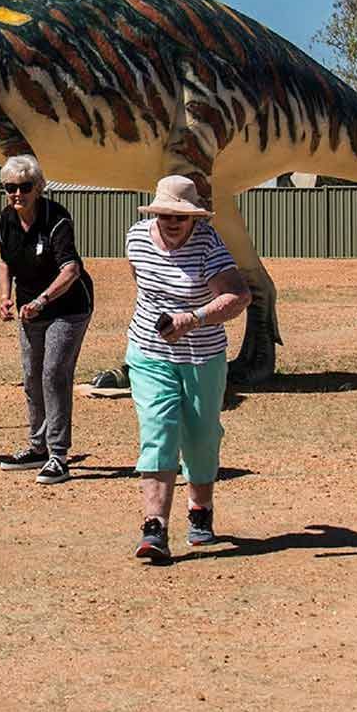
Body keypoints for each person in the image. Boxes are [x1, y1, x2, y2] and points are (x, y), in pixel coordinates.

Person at [124, 175, 251, 563]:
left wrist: (192, 319)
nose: (172, 222)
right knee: (158, 430)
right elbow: (141, 283)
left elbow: (238, 295)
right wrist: (162, 324)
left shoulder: (208, 245)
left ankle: (200, 509)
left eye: (180, 216)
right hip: (149, 352)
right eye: (165, 214)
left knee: (201, 436)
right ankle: (154, 528)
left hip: (202, 355)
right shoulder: (136, 238)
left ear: (195, 218)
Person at [0, 155, 93, 485]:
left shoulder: (56, 218)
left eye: (24, 187)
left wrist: (42, 300)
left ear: (38, 188)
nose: (17, 194)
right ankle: (37, 447)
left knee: (53, 374)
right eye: (11, 188)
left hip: (68, 307)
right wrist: (6, 296)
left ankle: (58, 455)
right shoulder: (7, 218)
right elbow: (5, 259)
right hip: (29, 310)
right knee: (31, 375)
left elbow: (71, 270)